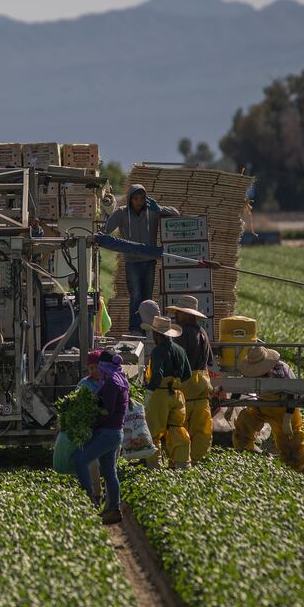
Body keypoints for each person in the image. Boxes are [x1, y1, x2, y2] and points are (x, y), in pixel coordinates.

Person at [104, 185, 180, 334]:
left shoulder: (152, 212)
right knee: (136, 296)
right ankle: (134, 329)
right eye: (135, 198)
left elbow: (176, 214)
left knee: (147, 298)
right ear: (130, 199)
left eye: (142, 198)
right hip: (132, 263)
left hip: (149, 262)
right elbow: (106, 230)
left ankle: (147, 329)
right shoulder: (122, 213)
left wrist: (160, 209)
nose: (139, 202)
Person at [72, 350, 129, 525]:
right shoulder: (120, 379)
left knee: (79, 459)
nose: (97, 370)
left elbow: (108, 410)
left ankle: (89, 501)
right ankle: (113, 510)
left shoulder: (112, 382)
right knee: (110, 472)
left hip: (108, 432)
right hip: (115, 432)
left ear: (104, 366)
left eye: (98, 367)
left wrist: (92, 421)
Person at [233, 347, 304, 471]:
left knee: (291, 440)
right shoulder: (251, 372)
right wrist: (231, 406)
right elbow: (240, 385)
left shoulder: (282, 371)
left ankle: (296, 468)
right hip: (262, 405)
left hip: (283, 408)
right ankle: (245, 452)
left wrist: (287, 419)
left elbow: (293, 394)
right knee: (244, 422)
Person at [141, 316, 192, 469]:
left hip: (160, 394)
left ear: (157, 335)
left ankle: (154, 466)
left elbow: (157, 375)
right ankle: (182, 464)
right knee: (177, 429)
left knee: (154, 432)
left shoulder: (158, 351)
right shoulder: (180, 350)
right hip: (177, 395)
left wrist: (149, 394)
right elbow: (188, 374)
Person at [168, 296, 214, 463]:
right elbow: (208, 362)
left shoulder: (182, 333)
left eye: (179, 313)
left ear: (188, 315)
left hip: (186, 387)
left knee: (180, 426)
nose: (177, 315)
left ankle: (181, 462)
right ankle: (198, 460)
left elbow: (178, 360)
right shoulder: (203, 333)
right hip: (202, 387)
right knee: (202, 430)